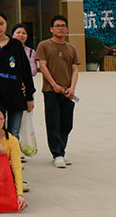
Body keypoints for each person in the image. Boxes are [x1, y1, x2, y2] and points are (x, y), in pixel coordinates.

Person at [35, 15, 79, 169]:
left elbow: (75, 69)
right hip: (51, 91)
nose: (60, 28)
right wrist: (54, 85)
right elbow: (42, 66)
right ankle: (57, 154)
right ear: (51, 29)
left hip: (68, 92)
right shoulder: (44, 45)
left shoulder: (71, 48)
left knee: (67, 124)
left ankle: (62, 151)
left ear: (67, 29)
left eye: (63, 26)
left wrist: (72, 88)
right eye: (57, 26)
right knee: (53, 123)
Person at [0, 10, 35, 140]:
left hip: (16, 96)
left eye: (1, 23)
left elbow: (26, 72)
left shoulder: (16, 45)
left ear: (6, 23)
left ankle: (13, 153)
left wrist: (29, 97)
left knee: (14, 132)